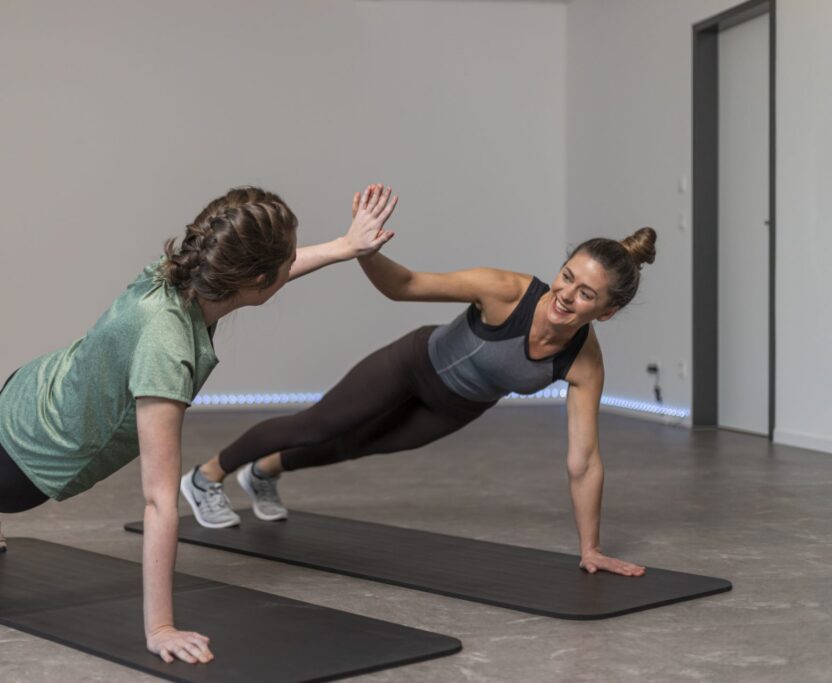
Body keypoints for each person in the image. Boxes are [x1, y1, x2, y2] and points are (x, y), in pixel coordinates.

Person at [0, 184, 399, 665]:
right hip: (26, 450)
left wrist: (344, 246)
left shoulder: (179, 270)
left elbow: (266, 270)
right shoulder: (166, 351)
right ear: (256, 282)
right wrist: (161, 628)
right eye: (288, 261)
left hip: (33, 387)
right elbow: (158, 499)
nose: (292, 265)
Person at [184, 185, 653, 578]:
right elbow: (403, 285)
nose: (566, 295)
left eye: (585, 294)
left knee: (356, 446)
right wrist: (364, 251)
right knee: (317, 425)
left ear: (606, 312)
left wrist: (589, 548)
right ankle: (206, 477)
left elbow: (584, 462)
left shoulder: (583, 363)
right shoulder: (506, 291)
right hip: (412, 365)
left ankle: (264, 470)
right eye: (567, 276)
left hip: (454, 408)